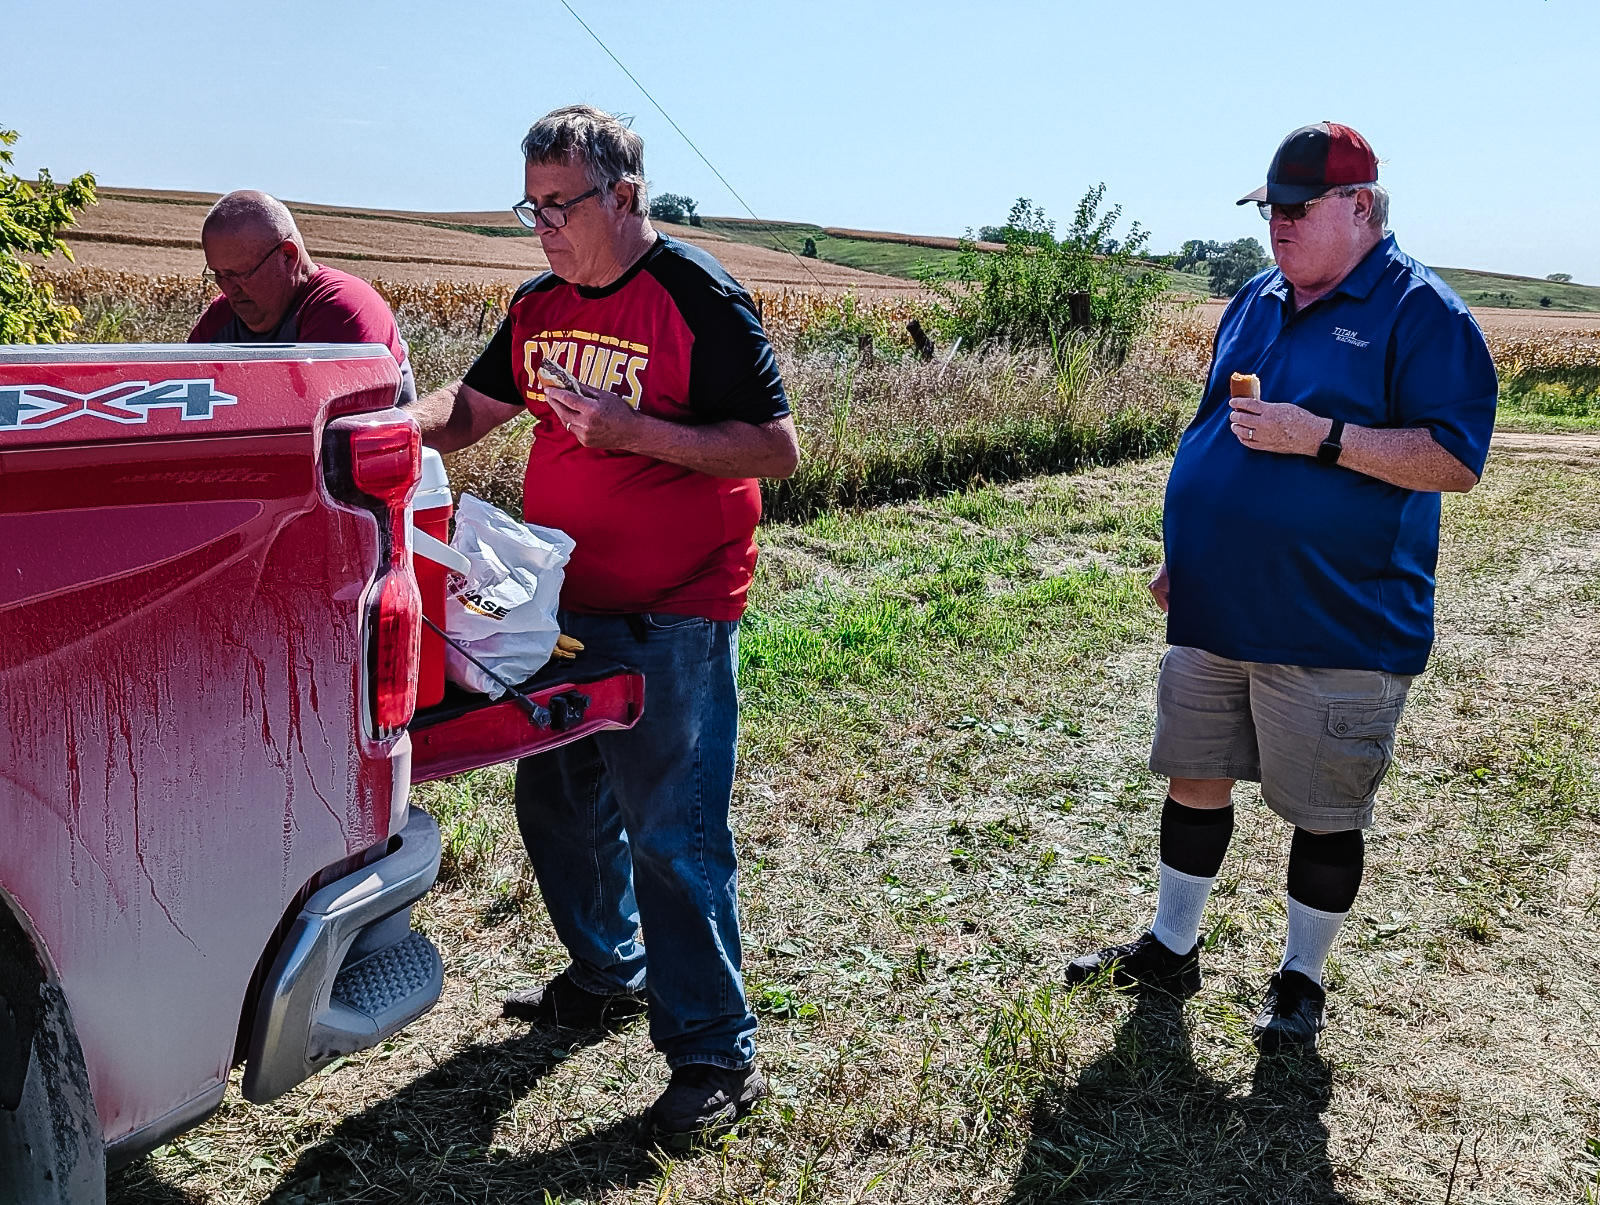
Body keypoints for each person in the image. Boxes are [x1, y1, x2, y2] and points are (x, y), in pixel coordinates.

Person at [406, 105, 799, 1142]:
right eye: (529, 205)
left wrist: (634, 432)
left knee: (671, 830)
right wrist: (385, 430)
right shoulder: (538, 305)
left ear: (623, 196)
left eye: (558, 205)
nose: (540, 225)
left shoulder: (697, 297)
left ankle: (715, 1053)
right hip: (563, 607)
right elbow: (473, 408)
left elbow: (775, 448)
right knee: (559, 803)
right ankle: (608, 969)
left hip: (674, 612)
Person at [1065, 122, 1497, 1051]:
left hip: (1337, 616)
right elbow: (1207, 428)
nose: (1280, 226)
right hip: (1219, 601)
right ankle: (1172, 944)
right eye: (1270, 209)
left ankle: (1302, 977)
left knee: (1323, 812)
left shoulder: (1423, 313)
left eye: (1298, 208)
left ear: (1361, 207)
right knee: (1194, 774)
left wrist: (1322, 436)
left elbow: (1455, 459)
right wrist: (1186, 549)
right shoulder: (1256, 298)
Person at [189, 190, 415, 404]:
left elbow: (309, 415)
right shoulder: (221, 318)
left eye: (240, 274)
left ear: (288, 255)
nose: (228, 289)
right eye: (218, 275)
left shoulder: (341, 309)